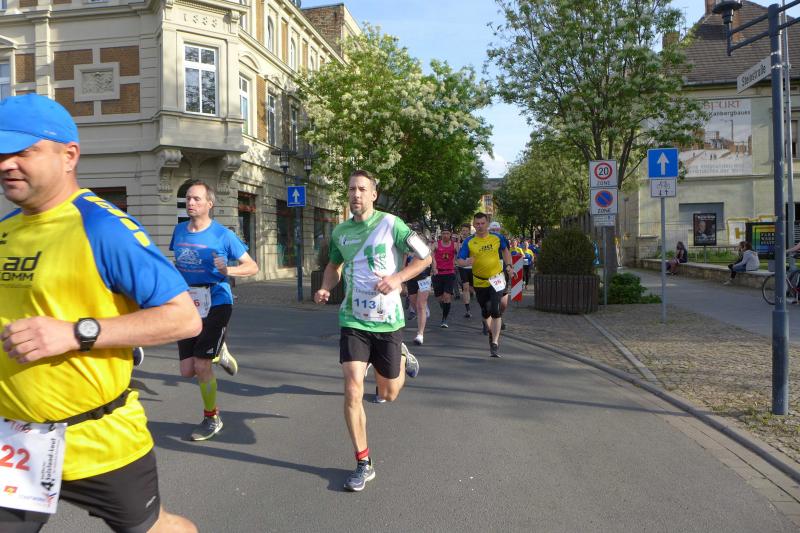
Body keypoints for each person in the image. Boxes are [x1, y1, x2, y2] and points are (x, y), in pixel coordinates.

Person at [0, 94, 200, 532]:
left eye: (22, 151)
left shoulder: (103, 227)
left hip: (97, 440)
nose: (6, 164)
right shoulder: (5, 230)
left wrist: (76, 332)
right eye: (0, 153)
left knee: (155, 528)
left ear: (68, 155)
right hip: (14, 443)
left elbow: (183, 318)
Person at [313, 169, 428, 492]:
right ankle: (363, 462)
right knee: (352, 389)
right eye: (351, 189)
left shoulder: (392, 224)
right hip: (353, 321)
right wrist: (325, 287)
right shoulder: (340, 232)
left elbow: (424, 257)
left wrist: (397, 278)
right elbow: (333, 266)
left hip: (387, 321)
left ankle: (401, 355)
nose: (356, 194)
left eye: (362, 189)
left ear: (374, 194)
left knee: (388, 393)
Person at [170, 180, 259, 441]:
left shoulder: (223, 235)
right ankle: (221, 349)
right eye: (188, 198)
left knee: (202, 364)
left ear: (210, 203)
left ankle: (212, 418)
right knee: (187, 371)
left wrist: (227, 270)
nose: (190, 202)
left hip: (217, 299)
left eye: (196, 198)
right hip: (188, 302)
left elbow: (252, 266)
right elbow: (179, 264)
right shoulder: (179, 230)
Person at [457, 212, 513, 357]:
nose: (480, 226)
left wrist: (508, 265)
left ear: (487, 223)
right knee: (486, 310)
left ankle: (495, 343)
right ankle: (490, 331)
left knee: (495, 309)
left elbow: (506, 251)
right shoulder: (469, 241)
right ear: (474, 225)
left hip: (496, 279)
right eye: (477, 224)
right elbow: (459, 260)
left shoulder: (497, 237)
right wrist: (466, 261)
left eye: (483, 223)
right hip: (479, 281)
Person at [431, 227, 458, 328]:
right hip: (438, 273)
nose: (445, 235)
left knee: (447, 296)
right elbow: (430, 255)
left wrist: (456, 262)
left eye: (447, 233)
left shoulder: (455, 245)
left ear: (450, 234)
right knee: (439, 298)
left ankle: (444, 319)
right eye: (443, 233)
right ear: (441, 234)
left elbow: (460, 255)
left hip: (449, 273)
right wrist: (434, 267)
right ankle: (445, 308)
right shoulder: (436, 244)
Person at [405, 248, 431, 345]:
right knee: (414, 304)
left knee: (421, 305)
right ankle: (423, 313)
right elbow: (403, 264)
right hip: (411, 277)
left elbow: (431, 259)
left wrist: (434, 269)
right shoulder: (406, 250)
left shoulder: (425, 249)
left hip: (424, 277)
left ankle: (420, 334)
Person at [457, 223, 475, 317]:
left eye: (466, 230)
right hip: (463, 267)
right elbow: (457, 253)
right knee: (465, 287)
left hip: (473, 267)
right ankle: (468, 310)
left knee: (473, 288)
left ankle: (473, 293)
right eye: (463, 230)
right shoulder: (458, 240)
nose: (464, 232)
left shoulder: (473, 239)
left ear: (469, 231)